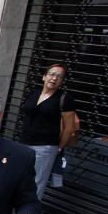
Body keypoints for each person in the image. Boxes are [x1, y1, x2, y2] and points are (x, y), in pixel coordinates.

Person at [19, 63, 78, 200]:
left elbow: (69, 127)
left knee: (36, 182)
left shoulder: (64, 98)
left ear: (62, 81)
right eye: (52, 74)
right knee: (18, 177)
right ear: (44, 76)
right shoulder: (34, 93)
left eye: (59, 76)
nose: (54, 78)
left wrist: (60, 147)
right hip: (23, 142)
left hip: (45, 146)